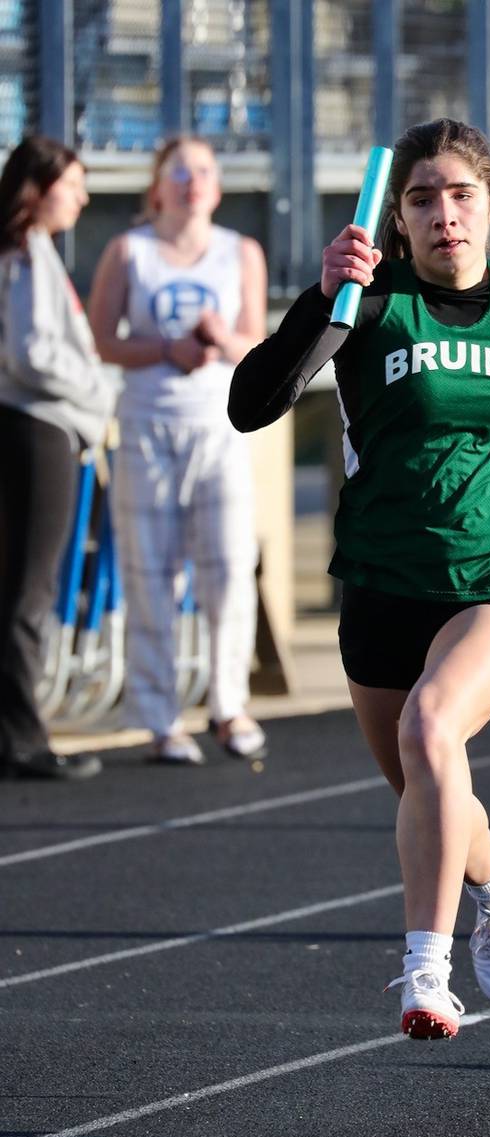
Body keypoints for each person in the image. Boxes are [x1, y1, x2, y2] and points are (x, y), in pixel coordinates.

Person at [228, 118, 490, 1038]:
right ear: (398, 219)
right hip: (382, 592)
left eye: (461, 195)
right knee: (430, 782)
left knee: (433, 727)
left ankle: (426, 974)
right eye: (421, 198)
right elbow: (248, 406)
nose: (443, 214)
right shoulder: (370, 308)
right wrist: (320, 300)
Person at [88, 135, 268, 765]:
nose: (193, 182)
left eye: (205, 171)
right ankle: (160, 715)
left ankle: (228, 704)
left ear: (217, 188)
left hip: (219, 430)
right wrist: (166, 349)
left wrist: (221, 339)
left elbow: (257, 346)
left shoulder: (240, 252)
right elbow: (103, 342)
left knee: (228, 567)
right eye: (180, 171)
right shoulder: (129, 251)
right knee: (150, 571)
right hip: (146, 427)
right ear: (158, 186)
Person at [0, 136, 118, 781]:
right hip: (37, 429)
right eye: (73, 183)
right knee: (30, 586)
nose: (83, 196)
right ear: (40, 188)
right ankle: (21, 738)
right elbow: (31, 355)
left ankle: (13, 731)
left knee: (23, 583)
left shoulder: (29, 252)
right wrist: (98, 392)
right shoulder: (23, 254)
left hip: (33, 427)